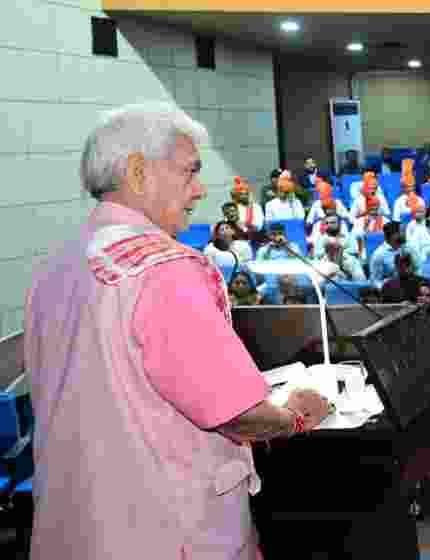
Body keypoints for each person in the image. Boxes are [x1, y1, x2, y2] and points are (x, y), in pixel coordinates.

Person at [24, 103, 331, 560]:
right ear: (138, 172)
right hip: (166, 533)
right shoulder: (164, 268)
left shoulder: (56, 267)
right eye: (189, 172)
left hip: (71, 530)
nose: (199, 190)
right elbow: (238, 413)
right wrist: (296, 415)